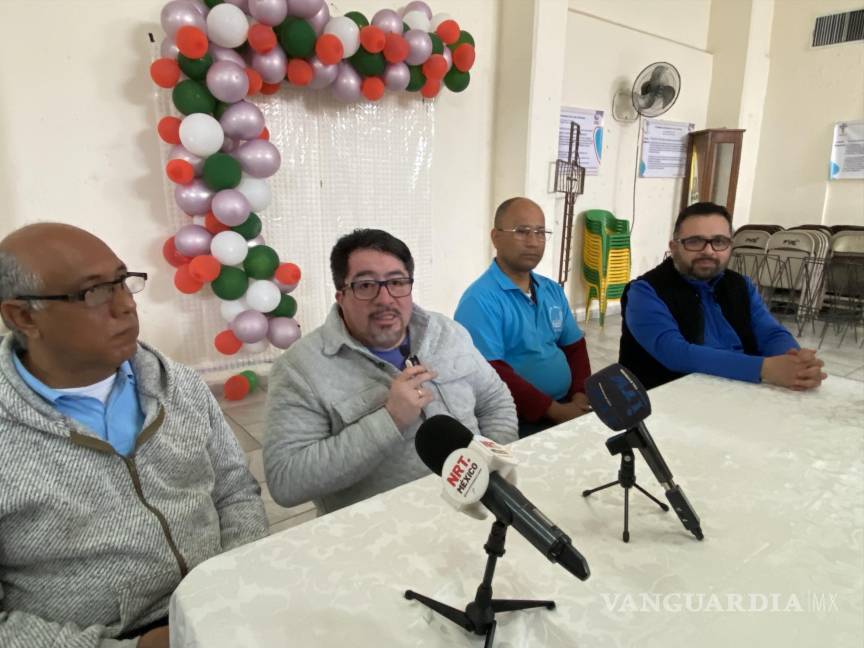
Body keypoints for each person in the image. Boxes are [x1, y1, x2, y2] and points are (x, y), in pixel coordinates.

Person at [0, 223, 268, 648]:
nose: (126, 305)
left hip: (221, 607)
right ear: (23, 316)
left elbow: (235, 490)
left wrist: (234, 583)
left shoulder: (179, 385)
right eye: (94, 292)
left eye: (123, 281)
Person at [264, 229, 518, 514]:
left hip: (480, 505)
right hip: (387, 527)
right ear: (341, 296)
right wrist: (390, 420)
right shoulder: (299, 369)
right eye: (366, 285)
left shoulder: (446, 331)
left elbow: (495, 400)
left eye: (397, 282)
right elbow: (286, 480)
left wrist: (494, 472)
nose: (385, 299)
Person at [619, 202, 827, 390]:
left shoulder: (741, 285)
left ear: (730, 246)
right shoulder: (645, 291)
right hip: (668, 398)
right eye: (694, 241)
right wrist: (764, 368)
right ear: (674, 247)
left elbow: (771, 333)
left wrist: (795, 361)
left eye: (719, 241)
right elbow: (675, 353)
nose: (708, 251)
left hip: (738, 391)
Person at [454, 197, 592, 437]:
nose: (533, 242)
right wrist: (555, 411)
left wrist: (580, 395)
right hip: (519, 417)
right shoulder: (479, 301)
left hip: (567, 403)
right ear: (496, 237)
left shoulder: (551, 290)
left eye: (540, 232)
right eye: (522, 231)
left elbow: (575, 347)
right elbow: (492, 373)